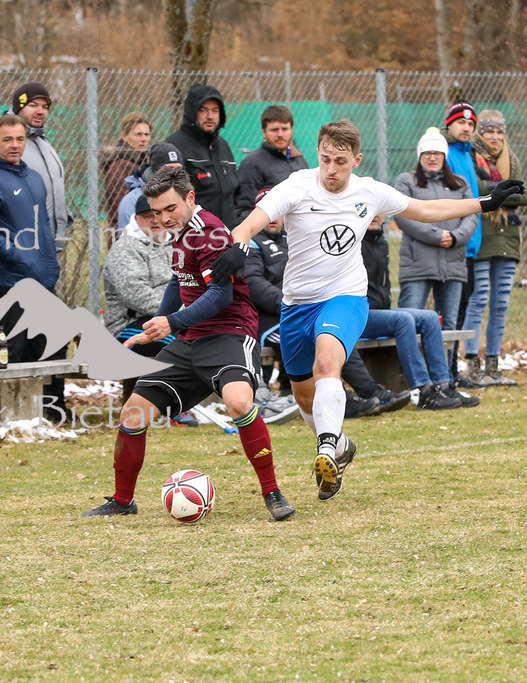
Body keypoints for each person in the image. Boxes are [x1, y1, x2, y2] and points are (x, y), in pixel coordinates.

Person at [209, 119, 522, 501]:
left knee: (329, 363)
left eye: (340, 161)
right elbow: (252, 221)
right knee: (305, 396)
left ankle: (325, 447)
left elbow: (425, 209)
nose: (331, 170)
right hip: (296, 304)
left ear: (356, 159)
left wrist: (485, 201)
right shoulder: (298, 185)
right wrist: (238, 243)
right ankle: (338, 446)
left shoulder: (370, 192)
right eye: (325, 159)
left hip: (345, 296)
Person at [81, 166, 295, 521]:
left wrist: (172, 320)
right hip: (190, 338)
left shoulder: (209, 233)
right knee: (133, 413)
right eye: (155, 213)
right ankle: (122, 501)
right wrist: (157, 325)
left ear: (190, 198)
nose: (163, 219)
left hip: (230, 332)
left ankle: (272, 492)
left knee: (239, 403)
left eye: (170, 209)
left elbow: (221, 296)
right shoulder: (180, 233)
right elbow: (175, 282)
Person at [243, 190, 398, 418]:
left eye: (278, 214)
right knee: (321, 338)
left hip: (304, 310)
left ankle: (362, 392)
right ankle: (347, 398)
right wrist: (289, 304)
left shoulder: (292, 237)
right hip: (270, 320)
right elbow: (254, 284)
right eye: (269, 213)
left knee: (331, 333)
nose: (274, 219)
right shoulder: (251, 243)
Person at [0, 114, 64, 421]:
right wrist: (20, 258)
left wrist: (49, 270)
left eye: (20, 139)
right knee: (15, 352)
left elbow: (43, 229)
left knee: (55, 342)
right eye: (7, 139)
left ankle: (52, 414)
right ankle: (13, 419)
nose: (14, 145)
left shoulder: (34, 178)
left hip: (40, 281)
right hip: (8, 283)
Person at [360, 215, 471, 409]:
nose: (375, 216)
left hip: (380, 311)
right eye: (368, 210)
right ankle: (424, 391)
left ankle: (442, 386)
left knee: (429, 317)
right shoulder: (352, 244)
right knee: (402, 320)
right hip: (357, 315)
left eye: (379, 210)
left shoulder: (380, 242)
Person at [393, 128, 477, 337]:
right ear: (420, 155)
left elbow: (472, 214)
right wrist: (436, 235)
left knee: (449, 327)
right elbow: (402, 216)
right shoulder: (406, 181)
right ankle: (409, 370)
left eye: (437, 153)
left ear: (444, 156)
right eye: (427, 153)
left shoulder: (460, 183)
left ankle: (445, 370)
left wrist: (457, 236)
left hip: (453, 265)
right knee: (408, 322)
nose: (432, 158)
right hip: (417, 266)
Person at [0, 82, 71, 249]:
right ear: (18, 107)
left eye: (45, 107)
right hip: (12, 248)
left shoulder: (42, 142)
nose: (40, 111)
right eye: (33, 105)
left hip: (45, 244)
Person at [464, 109, 525, 386]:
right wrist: (501, 192)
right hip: (481, 237)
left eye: (499, 131)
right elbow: (473, 189)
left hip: (509, 238)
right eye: (489, 131)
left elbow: (522, 193)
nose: (495, 136)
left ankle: (493, 366)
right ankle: (472, 366)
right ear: (480, 132)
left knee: (500, 304)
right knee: (478, 301)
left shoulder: (511, 158)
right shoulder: (469, 156)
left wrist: (494, 194)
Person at [442, 101, 485, 389]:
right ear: (450, 125)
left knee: (462, 310)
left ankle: (452, 370)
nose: (466, 128)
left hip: (470, 247)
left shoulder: (470, 156)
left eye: (470, 124)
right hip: (451, 246)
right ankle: (443, 372)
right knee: (450, 312)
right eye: (461, 123)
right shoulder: (444, 154)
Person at [103, 194, 174, 357]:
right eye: (147, 216)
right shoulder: (124, 249)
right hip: (129, 327)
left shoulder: (175, 243)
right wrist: (181, 312)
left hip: (169, 319)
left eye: (157, 214)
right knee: (181, 344)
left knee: (213, 337)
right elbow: (137, 296)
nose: (154, 220)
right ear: (136, 218)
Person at [165, 83, 240, 227]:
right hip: (194, 237)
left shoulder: (223, 146)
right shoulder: (175, 147)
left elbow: (236, 194)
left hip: (228, 235)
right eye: (203, 110)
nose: (210, 116)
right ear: (193, 112)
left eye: (215, 110)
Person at [236, 105, 308, 218]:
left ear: (291, 130)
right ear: (264, 132)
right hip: (270, 233)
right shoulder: (251, 163)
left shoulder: (300, 161)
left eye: (284, 129)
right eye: (274, 129)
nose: (280, 134)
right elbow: (245, 210)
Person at [102, 112, 151, 237]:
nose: (144, 139)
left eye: (147, 134)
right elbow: (123, 205)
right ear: (124, 136)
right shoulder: (118, 166)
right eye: (138, 134)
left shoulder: (145, 163)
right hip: (125, 234)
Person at [116, 142, 183, 233]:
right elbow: (126, 237)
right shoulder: (133, 199)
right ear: (155, 170)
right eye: (169, 168)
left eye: (178, 169)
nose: (174, 174)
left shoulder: (184, 196)